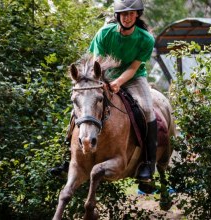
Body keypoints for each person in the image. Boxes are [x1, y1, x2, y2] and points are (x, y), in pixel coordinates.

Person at [50, 0, 157, 181]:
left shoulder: (146, 38)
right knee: (82, 107)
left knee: (147, 109)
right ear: (118, 16)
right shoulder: (104, 34)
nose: (128, 17)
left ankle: (148, 162)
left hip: (134, 78)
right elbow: (97, 63)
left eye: (131, 14)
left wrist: (117, 83)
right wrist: (100, 83)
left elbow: (133, 68)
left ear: (137, 14)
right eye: (124, 14)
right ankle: (67, 159)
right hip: (103, 75)